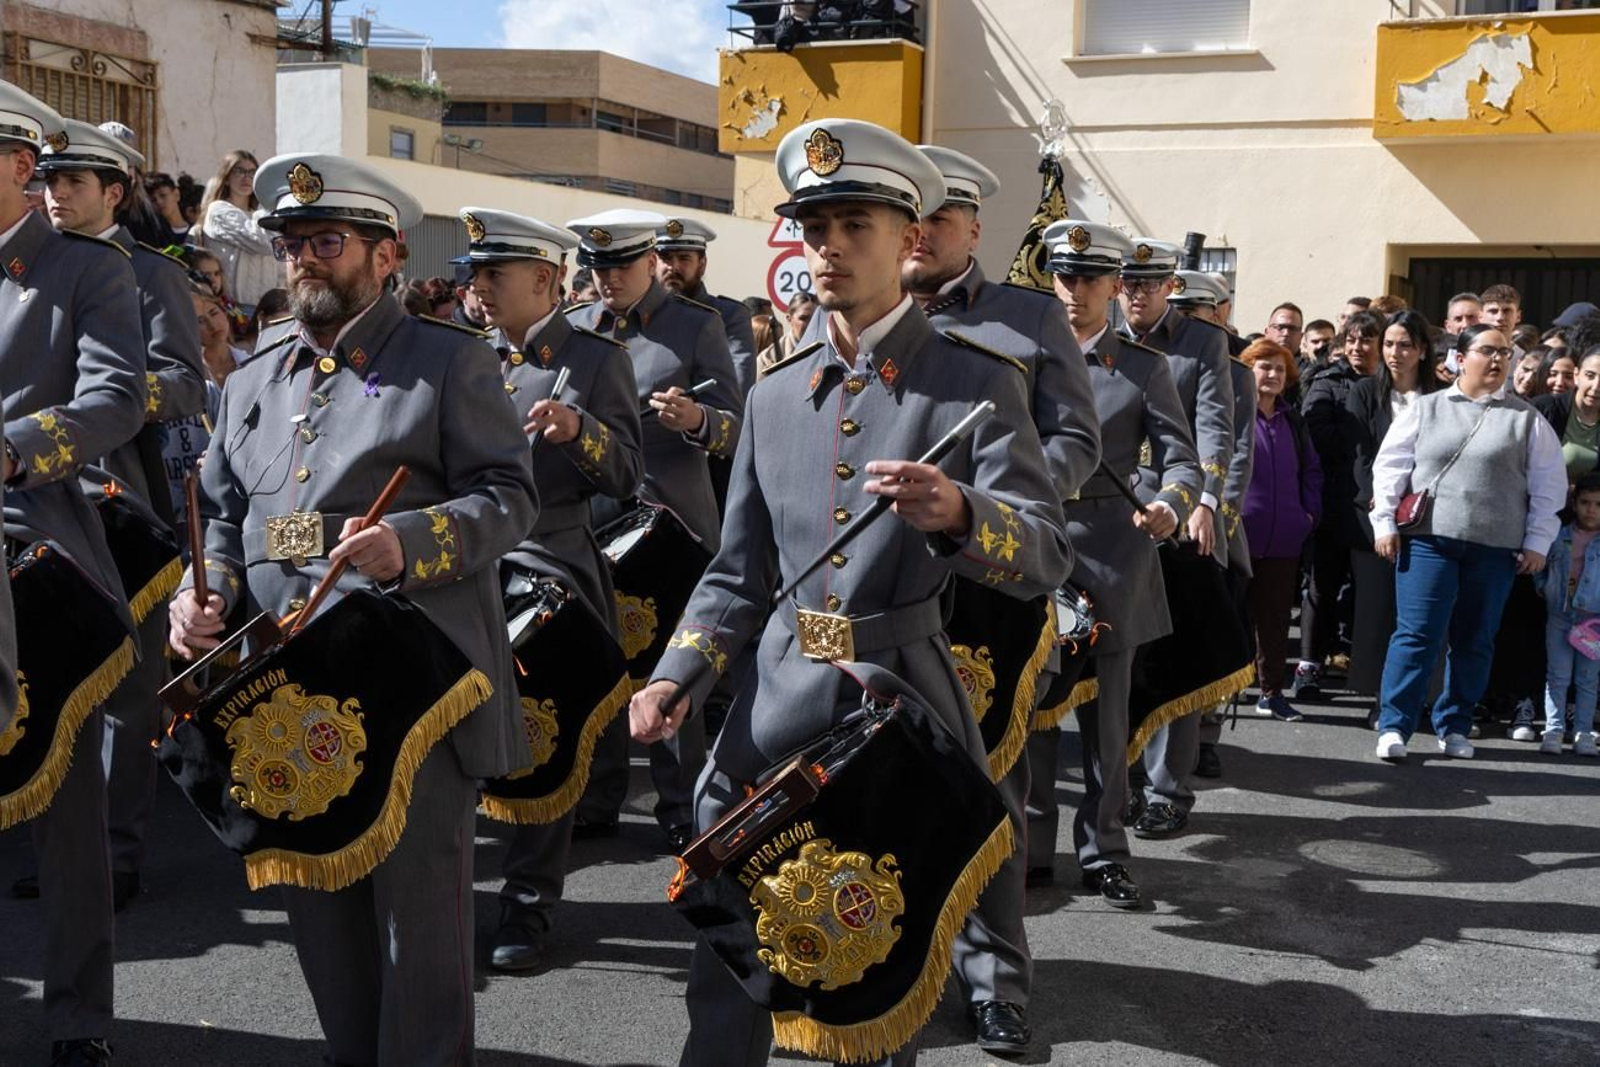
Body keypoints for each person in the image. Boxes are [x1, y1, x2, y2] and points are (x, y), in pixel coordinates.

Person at [630, 116, 1070, 1067]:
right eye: (813, 225)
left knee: (870, 975)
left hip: (896, 704)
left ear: (909, 240)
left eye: (853, 225)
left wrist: (960, 511)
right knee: (729, 967)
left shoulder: (977, 384)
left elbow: (1044, 554)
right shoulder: (774, 390)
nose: (827, 246)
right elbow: (738, 570)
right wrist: (677, 675)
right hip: (771, 707)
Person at [168, 153, 538, 1065]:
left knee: (419, 939)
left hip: (410, 687)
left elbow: (509, 497)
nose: (304, 261)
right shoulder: (253, 376)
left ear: (388, 255)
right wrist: (197, 587)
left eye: (325, 241)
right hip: (285, 695)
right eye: (291, 244)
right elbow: (221, 510)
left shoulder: (449, 361)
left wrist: (409, 540)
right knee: (322, 925)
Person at [906, 144, 1100, 1056]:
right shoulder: (856, 315)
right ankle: (889, 956)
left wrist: (999, 493)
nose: (920, 235)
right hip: (877, 586)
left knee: (991, 788)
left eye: (939, 220)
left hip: (989, 583)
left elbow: (1075, 440)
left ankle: (995, 982)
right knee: (879, 779)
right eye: (908, 218)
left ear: (973, 230)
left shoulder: (1028, 317)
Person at [450, 207, 645, 975]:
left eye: (494, 275)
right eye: (474, 275)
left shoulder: (595, 359)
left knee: (546, 739)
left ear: (543, 279)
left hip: (551, 558)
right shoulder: (465, 357)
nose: (478, 289)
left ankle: (529, 902)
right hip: (468, 565)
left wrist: (578, 431)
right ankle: (450, 887)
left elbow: (628, 473)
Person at [0, 80, 147, 1067]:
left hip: (36, 540)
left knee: (64, 812)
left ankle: (77, 1012)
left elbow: (117, 398)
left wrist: (14, 448)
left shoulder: (84, 271)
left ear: (20, 165)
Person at [37, 120, 209, 912]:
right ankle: (62, 844)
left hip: (121, 497)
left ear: (114, 191)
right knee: (53, 678)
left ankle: (117, 850)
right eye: (47, 181)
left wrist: (102, 402)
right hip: (40, 494)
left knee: (126, 688)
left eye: (72, 183)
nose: (55, 195)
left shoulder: (149, 272)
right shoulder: (27, 266)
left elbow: (183, 382)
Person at [1026, 219, 1200, 913]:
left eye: (1091, 278)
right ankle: (1031, 849)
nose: (1075, 291)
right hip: (1034, 546)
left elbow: (1181, 458)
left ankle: (1104, 850)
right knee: (1029, 707)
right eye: (1065, 277)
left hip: (1114, 549)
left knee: (1106, 720)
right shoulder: (1021, 356)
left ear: (1114, 286)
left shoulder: (1141, 367)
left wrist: (1171, 501)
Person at [565, 208, 742, 851]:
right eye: (596, 266)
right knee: (600, 661)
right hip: (595, 518)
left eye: (618, 266)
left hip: (669, 521)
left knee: (670, 665)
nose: (606, 278)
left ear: (650, 263)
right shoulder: (575, 327)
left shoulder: (696, 327)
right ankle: (599, 794)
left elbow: (734, 425)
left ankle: (679, 802)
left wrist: (696, 418)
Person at [1369, 323, 1565, 761]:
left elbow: (1549, 486)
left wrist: (1537, 541)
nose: (1497, 361)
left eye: (1504, 353)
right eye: (1487, 351)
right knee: (1417, 634)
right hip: (1428, 541)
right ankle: (1394, 725)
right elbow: (1391, 468)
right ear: (1460, 357)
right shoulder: (1427, 408)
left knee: (1475, 639)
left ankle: (1455, 725)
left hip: (1494, 548)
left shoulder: (1526, 418)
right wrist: (1384, 523)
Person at [1119, 236, 1236, 840]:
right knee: (1115, 662)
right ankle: (1121, 784)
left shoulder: (1201, 342)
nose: (1135, 295)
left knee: (1177, 658)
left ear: (1171, 288)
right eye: (1128, 284)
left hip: (1178, 514)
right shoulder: (1096, 335)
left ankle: (1166, 790)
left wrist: (1204, 501)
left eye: (1148, 285)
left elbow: (1215, 431)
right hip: (1112, 517)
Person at [1347, 310, 1441, 719]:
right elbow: (1360, 454)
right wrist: (1378, 499)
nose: (1394, 353)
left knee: (1422, 614)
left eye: (1404, 344)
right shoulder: (1366, 391)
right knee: (1377, 611)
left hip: (1428, 517)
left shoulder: (1441, 394)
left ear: (1422, 349)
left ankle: (1424, 698)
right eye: (1388, 344)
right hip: (1375, 515)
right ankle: (1381, 699)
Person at [1294, 309, 1380, 698]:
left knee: (1370, 592)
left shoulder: (1390, 385)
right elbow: (1315, 433)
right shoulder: (1327, 381)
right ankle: (1308, 666)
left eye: (1367, 340)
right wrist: (1362, 434)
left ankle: (1363, 667)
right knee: (1321, 588)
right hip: (1333, 500)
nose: (1358, 347)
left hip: (1377, 505)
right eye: (1352, 340)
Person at [1239, 338, 1322, 721]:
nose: (1272, 374)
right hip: (1236, 537)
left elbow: (1311, 471)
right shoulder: (1232, 414)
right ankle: (1228, 689)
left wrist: (1307, 515)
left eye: (1279, 369)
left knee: (1273, 621)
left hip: (1284, 539)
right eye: (1263, 366)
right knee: (1234, 617)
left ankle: (1271, 693)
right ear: (1247, 370)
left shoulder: (1293, 420)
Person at [1535, 471, 1600, 757]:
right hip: (1561, 616)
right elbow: (1542, 567)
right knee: (1557, 675)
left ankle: (1583, 732)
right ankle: (1554, 729)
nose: (1591, 510)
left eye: (1599, 505)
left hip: (1594, 622)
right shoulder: (1559, 536)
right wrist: (1545, 588)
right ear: (1574, 503)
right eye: (1586, 502)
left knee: (1588, 679)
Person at [655, 218, 759, 395]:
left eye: (684, 258)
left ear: (702, 265)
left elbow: (738, 388)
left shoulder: (730, 316)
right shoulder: (641, 314)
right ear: (652, 263)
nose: (674, 267)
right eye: (666, 258)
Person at [197, 148, 279, 310]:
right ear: (226, 178)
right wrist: (267, 202)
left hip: (268, 307)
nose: (246, 177)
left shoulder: (258, 215)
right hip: (235, 308)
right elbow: (264, 243)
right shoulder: (219, 210)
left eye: (252, 173)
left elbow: (279, 255)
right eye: (239, 171)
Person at [757, 291, 819, 376]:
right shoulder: (768, 359)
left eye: (816, 317)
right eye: (804, 318)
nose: (811, 323)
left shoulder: (832, 347)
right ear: (789, 319)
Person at [144, 171, 191, 239]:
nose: (159, 202)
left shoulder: (197, 231)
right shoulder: (152, 234)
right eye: (153, 200)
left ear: (176, 194)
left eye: (163, 195)